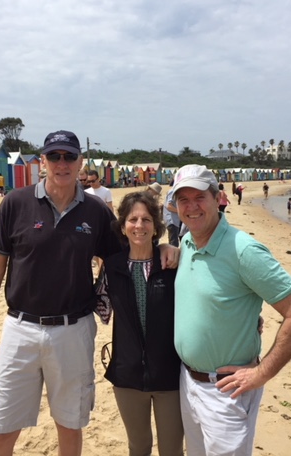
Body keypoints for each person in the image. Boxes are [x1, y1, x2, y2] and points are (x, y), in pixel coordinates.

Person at [0, 130, 178, 456]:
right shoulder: (15, 203)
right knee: (1, 428)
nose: (62, 163)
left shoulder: (95, 212)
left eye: (69, 156)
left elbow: (132, 247)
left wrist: (164, 246)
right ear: (43, 160)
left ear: (80, 162)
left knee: (69, 423)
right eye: (55, 156)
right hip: (19, 330)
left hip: (74, 330)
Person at [171, 164, 291, 456]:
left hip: (227, 392)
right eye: (183, 199)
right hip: (187, 383)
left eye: (199, 197)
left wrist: (262, 373)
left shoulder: (244, 250)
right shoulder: (186, 242)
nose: (191, 207)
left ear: (217, 198)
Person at [97, 191, 183, 456]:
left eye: (146, 219)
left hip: (170, 375)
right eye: (133, 219)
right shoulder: (111, 267)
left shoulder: (172, 264)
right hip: (127, 376)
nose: (139, 225)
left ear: (156, 226)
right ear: (123, 226)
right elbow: (98, 309)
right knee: (138, 447)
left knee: (172, 449)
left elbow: (203, 303)